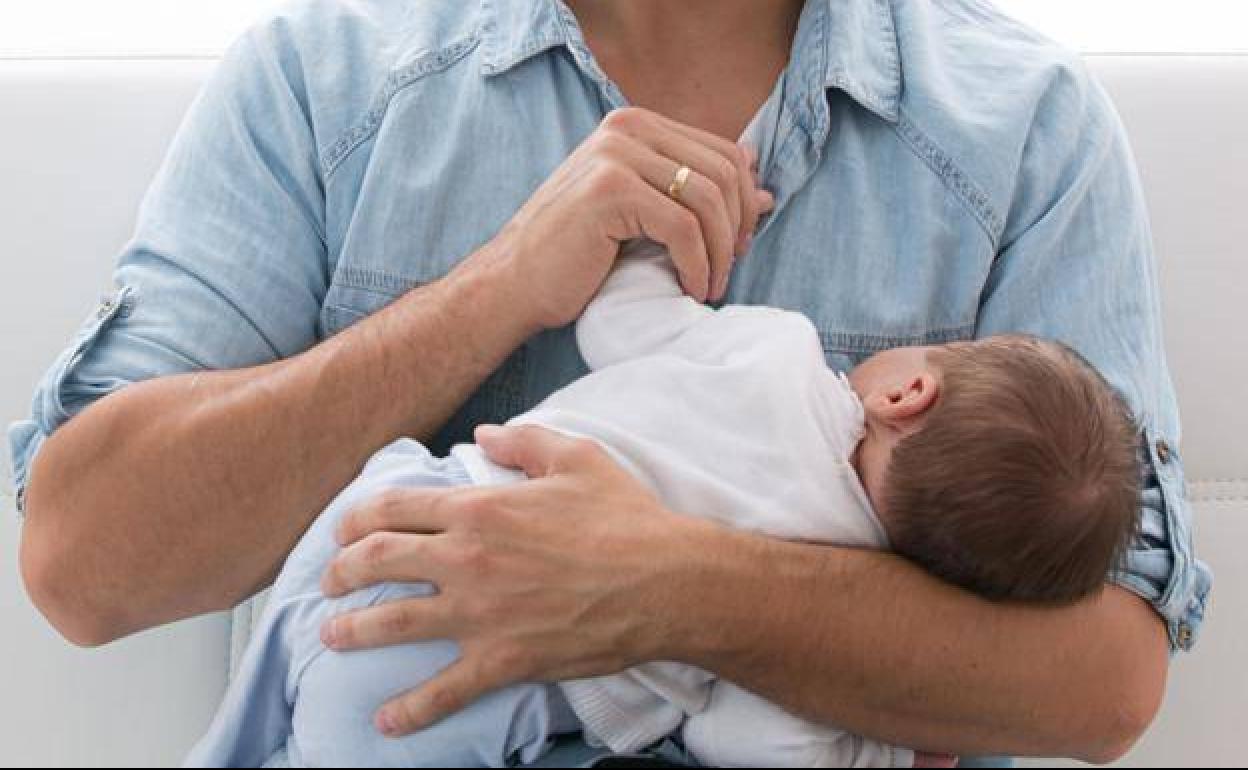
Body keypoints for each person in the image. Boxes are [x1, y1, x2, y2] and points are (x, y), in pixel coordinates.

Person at [12, 0, 1210, 764]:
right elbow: (85, 562)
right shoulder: (321, 84)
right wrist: (495, 289)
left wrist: (664, 585)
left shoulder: (1027, 131)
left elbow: (1104, 681)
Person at [184, 243, 1142, 768]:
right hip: (468, 687)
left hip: (409, 508)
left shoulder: (780, 353)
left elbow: (621, 322)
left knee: (258, 694)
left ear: (907, 395)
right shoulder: (831, 606)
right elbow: (745, 741)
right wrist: (878, 752)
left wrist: (641, 245)